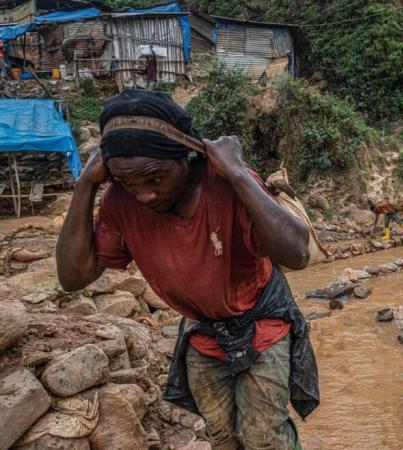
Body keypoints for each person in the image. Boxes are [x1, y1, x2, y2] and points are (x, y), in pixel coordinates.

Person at [55, 90, 319, 450]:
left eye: (154, 178)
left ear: (188, 156)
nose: (144, 195)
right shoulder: (120, 200)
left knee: (264, 438)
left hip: (262, 323)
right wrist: (85, 184)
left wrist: (239, 173)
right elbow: (73, 277)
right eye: (127, 183)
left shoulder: (225, 182)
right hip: (202, 332)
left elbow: (297, 253)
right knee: (222, 435)